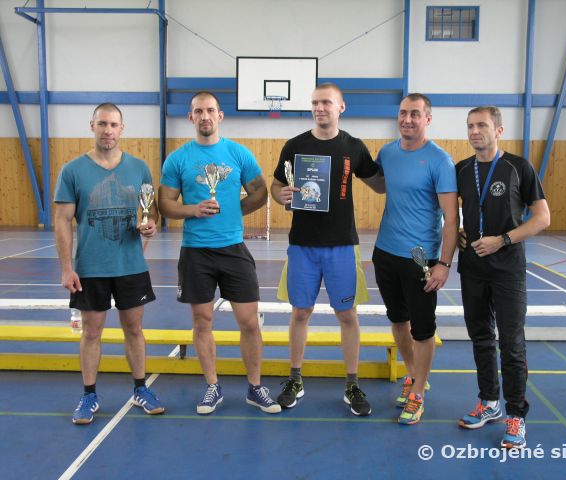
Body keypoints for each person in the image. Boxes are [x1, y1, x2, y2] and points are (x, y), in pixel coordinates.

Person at [158, 91, 281, 415]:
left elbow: (260, 192)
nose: (205, 116)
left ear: (220, 115)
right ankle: (212, 386)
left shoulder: (238, 153)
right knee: (202, 321)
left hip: (233, 249)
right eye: (198, 111)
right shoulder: (178, 159)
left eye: (210, 110)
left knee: (249, 322)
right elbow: (164, 204)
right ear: (191, 117)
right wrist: (193, 210)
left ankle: (255, 387)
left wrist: (235, 211)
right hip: (196, 252)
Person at [271, 83, 384, 416]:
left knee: (347, 315)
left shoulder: (354, 146)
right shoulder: (295, 146)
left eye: (326, 103)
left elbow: (379, 184)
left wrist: (400, 161)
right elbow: (277, 185)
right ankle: (295, 379)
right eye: (315, 103)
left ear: (341, 107)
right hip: (302, 245)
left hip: (342, 245)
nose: (320, 108)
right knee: (300, 313)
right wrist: (281, 195)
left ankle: (352, 383)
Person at [54, 103, 164, 425]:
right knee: (91, 332)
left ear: (122, 129)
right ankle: (89, 395)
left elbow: (151, 211)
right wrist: (66, 268)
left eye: (114, 125)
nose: (108, 130)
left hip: (131, 265)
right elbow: (62, 220)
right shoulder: (73, 171)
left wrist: (151, 225)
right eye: (102, 124)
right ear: (92, 126)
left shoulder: (139, 168)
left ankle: (141, 389)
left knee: (134, 329)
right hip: (91, 268)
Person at [456, 106, 550, 448]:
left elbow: (542, 218)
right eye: (470, 125)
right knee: (481, 338)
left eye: (482, 125)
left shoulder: (518, 167)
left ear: (498, 130)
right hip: (472, 268)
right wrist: (459, 233)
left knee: (511, 344)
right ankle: (489, 402)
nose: (475, 131)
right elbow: (452, 212)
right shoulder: (461, 169)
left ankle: (516, 415)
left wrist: (503, 239)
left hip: (508, 270)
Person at [372, 93, 458, 425]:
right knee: (398, 321)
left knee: (422, 330)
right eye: (403, 113)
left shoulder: (440, 161)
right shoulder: (387, 152)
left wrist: (444, 264)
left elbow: (451, 218)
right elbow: (380, 186)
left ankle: (418, 393)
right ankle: (412, 376)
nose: (407, 119)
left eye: (415, 114)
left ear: (427, 119)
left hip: (421, 259)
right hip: (385, 252)